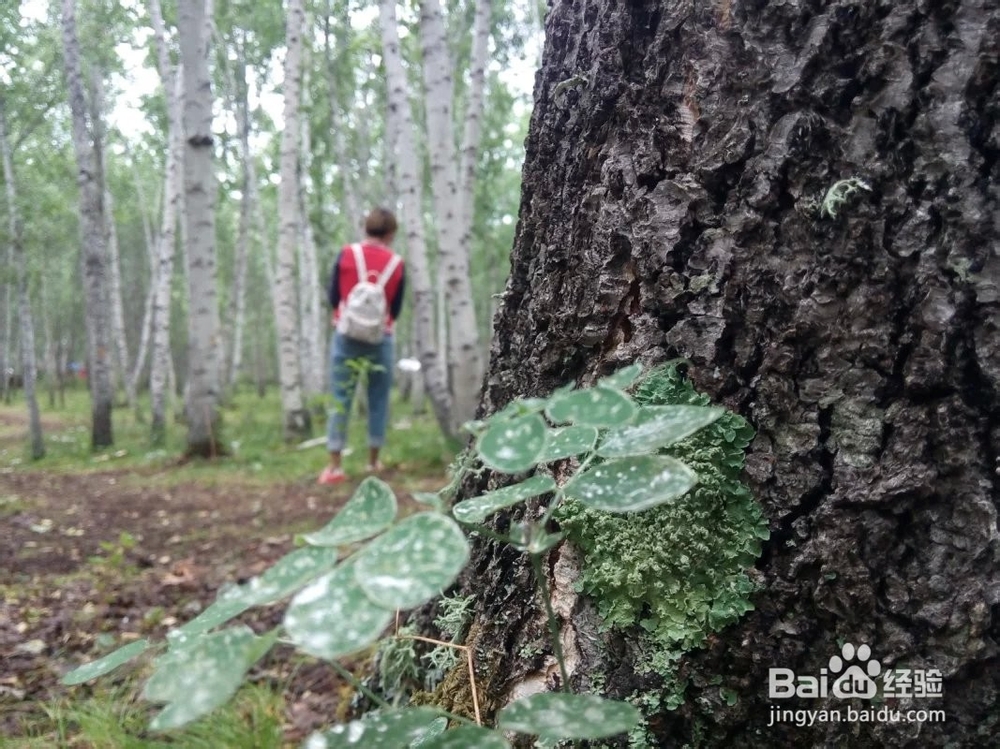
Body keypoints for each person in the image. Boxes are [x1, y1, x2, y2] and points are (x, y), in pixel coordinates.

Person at [318, 207, 406, 485]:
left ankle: (334, 467)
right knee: (378, 399)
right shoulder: (397, 263)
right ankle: (373, 461)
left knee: (341, 398)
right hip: (381, 338)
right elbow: (395, 309)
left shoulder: (347, 254)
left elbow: (334, 296)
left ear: (365, 228)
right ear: (391, 233)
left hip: (346, 336)